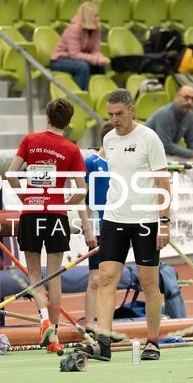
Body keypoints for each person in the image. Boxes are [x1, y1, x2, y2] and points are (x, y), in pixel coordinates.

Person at [75, 89, 171, 362]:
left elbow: (163, 182)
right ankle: (103, 341)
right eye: (110, 115)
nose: (115, 119)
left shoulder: (149, 138)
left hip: (146, 218)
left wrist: (164, 223)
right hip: (114, 218)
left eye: (119, 114)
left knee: (149, 283)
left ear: (131, 110)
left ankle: (153, 342)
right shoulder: (108, 138)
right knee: (105, 278)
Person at [6, 98, 96, 354]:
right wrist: (64, 202)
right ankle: (53, 335)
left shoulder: (30, 140)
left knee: (34, 273)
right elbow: (83, 189)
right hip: (56, 216)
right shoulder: (71, 149)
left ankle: (43, 317)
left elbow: (11, 174)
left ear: (47, 116)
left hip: (31, 213)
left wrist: (26, 197)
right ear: (68, 123)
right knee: (54, 276)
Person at [82, 121, 114, 327]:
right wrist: (88, 228)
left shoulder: (120, 164)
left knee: (109, 278)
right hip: (98, 225)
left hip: (117, 224)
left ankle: (105, 326)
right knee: (95, 279)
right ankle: (89, 327)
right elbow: (80, 197)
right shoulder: (91, 163)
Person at [49, 2, 110, 91]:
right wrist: (96, 59)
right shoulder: (74, 29)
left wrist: (101, 58)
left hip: (79, 59)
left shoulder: (96, 29)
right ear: (88, 17)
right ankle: (81, 97)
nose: (98, 19)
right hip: (59, 60)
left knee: (99, 67)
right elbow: (74, 54)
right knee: (82, 67)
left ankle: (101, 95)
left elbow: (95, 50)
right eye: (95, 16)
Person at [145, 85, 193, 167]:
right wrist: (191, 154)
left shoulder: (190, 115)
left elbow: (192, 140)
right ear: (176, 97)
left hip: (161, 155)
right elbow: (165, 145)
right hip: (145, 154)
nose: (190, 102)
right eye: (186, 98)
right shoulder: (164, 114)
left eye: (192, 99)